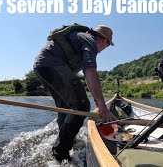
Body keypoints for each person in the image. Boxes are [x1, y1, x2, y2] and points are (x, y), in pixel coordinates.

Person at [33, 24, 117, 162]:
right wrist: (102, 106)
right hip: (52, 65)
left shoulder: (81, 38)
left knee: (66, 108)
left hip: (41, 66)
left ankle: (63, 142)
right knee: (81, 106)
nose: (104, 49)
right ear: (103, 40)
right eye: (108, 45)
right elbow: (90, 71)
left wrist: (99, 102)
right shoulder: (90, 41)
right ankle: (60, 153)